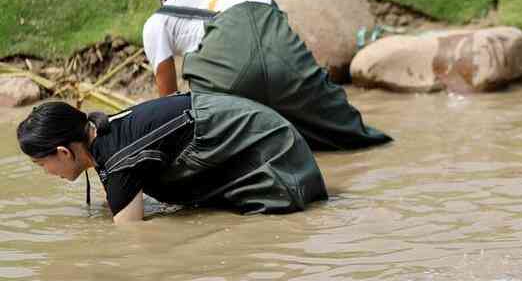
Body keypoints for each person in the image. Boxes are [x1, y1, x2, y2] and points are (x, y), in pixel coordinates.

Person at [142, 0, 392, 151]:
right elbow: (278, 38)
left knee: (217, 135)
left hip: (225, 72)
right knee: (338, 128)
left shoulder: (159, 19)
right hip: (285, 61)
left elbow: (169, 99)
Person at [17, 93, 327, 223]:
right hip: (269, 131)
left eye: (41, 164)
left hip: (276, 153)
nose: (46, 172)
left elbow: (130, 239)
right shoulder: (105, 131)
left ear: (63, 152)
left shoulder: (118, 158)